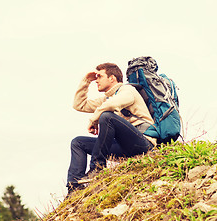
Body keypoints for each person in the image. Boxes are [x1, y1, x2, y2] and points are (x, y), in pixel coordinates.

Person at [66, 62, 157, 195]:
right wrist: (86, 81)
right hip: (124, 147)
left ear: (112, 78)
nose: (96, 80)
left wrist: (94, 120)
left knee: (107, 116)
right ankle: (73, 188)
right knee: (78, 142)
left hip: (143, 143)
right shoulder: (107, 99)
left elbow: (112, 105)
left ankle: (97, 168)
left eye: (100, 76)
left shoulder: (128, 91)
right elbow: (79, 105)